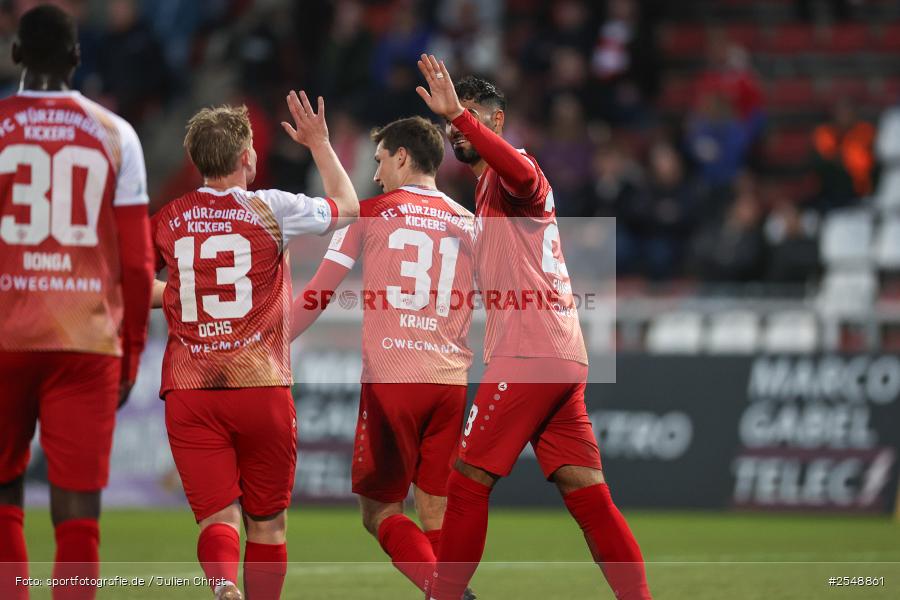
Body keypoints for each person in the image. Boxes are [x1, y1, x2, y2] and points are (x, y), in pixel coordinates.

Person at [415, 54, 652, 600]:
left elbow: (522, 173)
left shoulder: (516, 170)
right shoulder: (482, 196)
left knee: (468, 480)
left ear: (495, 122)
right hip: (558, 355)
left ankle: (443, 595)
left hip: (530, 353)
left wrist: (460, 113)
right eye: (454, 122)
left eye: (470, 118)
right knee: (588, 495)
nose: (457, 129)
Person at [150, 94, 358, 600]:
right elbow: (349, 207)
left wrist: (179, 294)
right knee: (267, 524)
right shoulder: (272, 207)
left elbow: (133, 288)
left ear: (195, 160)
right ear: (247, 157)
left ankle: (223, 586)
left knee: (218, 518)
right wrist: (321, 144)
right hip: (261, 385)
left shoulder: (168, 218)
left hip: (191, 389)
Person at [0, 5, 154, 599]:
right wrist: (132, 352)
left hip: (5, 338)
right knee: (79, 514)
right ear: (76, 58)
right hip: (86, 342)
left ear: (15, 56)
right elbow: (138, 265)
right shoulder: (117, 135)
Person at [291, 116, 475, 598]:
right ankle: (451, 589)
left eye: (378, 161)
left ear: (402, 157)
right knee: (435, 511)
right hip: (449, 381)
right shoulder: (470, 223)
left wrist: (272, 338)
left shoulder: (369, 213)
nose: (374, 175)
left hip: (393, 379)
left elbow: (318, 294)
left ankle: (447, 593)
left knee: (379, 513)